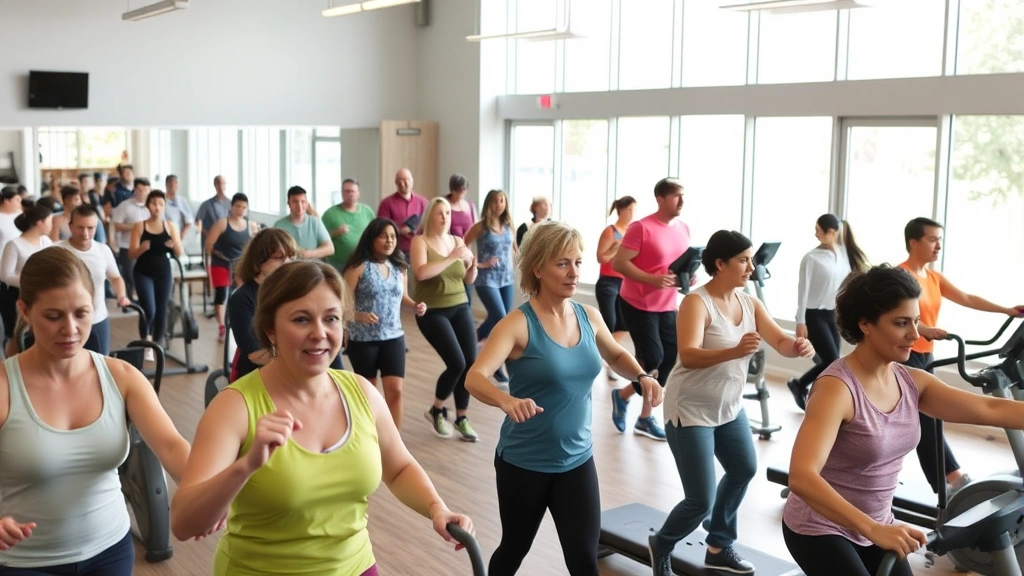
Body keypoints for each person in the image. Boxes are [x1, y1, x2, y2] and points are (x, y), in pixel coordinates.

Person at [170, 260, 475, 575]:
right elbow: (183, 523)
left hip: (356, 567)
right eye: (301, 319)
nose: (319, 333)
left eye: (331, 318)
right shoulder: (234, 407)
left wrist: (437, 507)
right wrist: (245, 467)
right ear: (270, 329)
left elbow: (398, 468)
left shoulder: (362, 393)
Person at [783, 264, 1024, 576]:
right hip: (820, 526)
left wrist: (876, 528)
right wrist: (872, 529)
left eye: (916, 321)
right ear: (866, 324)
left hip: (876, 524)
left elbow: (989, 410)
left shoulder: (912, 381)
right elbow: (802, 477)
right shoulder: (836, 389)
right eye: (901, 323)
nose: (914, 334)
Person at [465, 221, 663, 576]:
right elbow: (475, 377)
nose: (574, 273)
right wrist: (505, 400)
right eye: (562, 263)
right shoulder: (517, 324)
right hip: (524, 464)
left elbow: (616, 354)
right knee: (514, 549)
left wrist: (642, 376)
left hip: (576, 461)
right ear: (538, 268)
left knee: (584, 560)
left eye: (578, 262)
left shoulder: (588, 316)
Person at [0, 246, 192, 574]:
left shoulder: (122, 377)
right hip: (25, 561)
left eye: (81, 313)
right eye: (53, 316)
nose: (71, 329)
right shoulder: (5, 386)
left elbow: (173, 447)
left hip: (110, 551)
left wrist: (216, 488)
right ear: (25, 311)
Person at [648, 230, 815, 576]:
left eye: (751, 259)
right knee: (700, 500)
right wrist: (734, 351)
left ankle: (719, 545)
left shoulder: (750, 302)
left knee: (743, 469)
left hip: (728, 407)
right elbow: (689, 356)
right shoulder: (696, 302)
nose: (750, 267)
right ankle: (663, 542)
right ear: (720, 264)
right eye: (743, 260)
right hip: (689, 409)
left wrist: (797, 347)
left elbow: (780, 341)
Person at [898, 217, 1024, 496]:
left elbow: (966, 298)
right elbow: (891, 317)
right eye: (933, 239)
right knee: (926, 420)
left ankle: (951, 478)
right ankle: (951, 479)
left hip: (926, 356)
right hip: (903, 355)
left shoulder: (933, 278)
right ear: (914, 242)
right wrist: (925, 329)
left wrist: (1006, 310)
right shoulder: (900, 276)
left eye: (940, 240)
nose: (938, 246)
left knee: (928, 418)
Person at [609, 177, 692, 441]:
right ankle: (644, 416)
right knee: (653, 358)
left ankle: (628, 402)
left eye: (683, 195)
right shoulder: (641, 228)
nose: (682, 201)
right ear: (660, 199)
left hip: (667, 303)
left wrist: (688, 277)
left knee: (668, 359)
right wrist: (651, 279)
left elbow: (676, 265)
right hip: (638, 303)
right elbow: (620, 264)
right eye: (676, 196)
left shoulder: (683, 228)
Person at [342, 218, 426, 430]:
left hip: (394, 337)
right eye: (384, 236)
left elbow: (402, 297)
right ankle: (368, 437)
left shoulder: (399, 267)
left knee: (395, 391)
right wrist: (358, 315)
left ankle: (394, 441)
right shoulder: (358, 267)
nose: (389, 241)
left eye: (392, 236)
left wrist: (415, 305)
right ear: (372, 239)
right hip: (363, 340)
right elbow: (341, 303)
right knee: (368, 394)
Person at [411, 197, 479, 441]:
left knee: (470, 363)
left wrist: (472, 267)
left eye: (448, 213)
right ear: (430, 215)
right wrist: (452, 257)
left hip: (460, 305)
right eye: (440, 213)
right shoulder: (420, 242)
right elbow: (421, 272)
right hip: (432, 311)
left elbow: (467, 279)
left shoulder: (458, 240)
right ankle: (437, 409)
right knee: (457, 363)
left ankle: (462, 418)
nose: (445, 217)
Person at [786, 214, 868, 410]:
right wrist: (800, 321)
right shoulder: (811, 258)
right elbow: (802, 291)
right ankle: (808, 388)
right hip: (813, 316)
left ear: (831, 232)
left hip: (831, 314)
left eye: (818, 230)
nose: (815, 234)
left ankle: (799, 384)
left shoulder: (842, 253)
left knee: (833, 360)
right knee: (832, 360)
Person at [227, 229, 300, 382]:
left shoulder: (295, 292)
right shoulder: (241, 298)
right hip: (253, 377)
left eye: (290, 258)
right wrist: (296, 366)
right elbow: (254, 352)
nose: (287, 264)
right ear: (258, 262)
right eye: (279, 258)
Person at [58, 205, 132, 355]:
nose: (85, 233)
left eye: (91, 228)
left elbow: (116, 277)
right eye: (80, 228)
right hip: (67, 321)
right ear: (70, 226)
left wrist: (122, 296)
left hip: (97, 319)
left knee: (100, 365)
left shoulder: (103, 250)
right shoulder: (56, 251)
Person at [463, 189, 517, 382]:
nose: (499, 204)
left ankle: (473, 340)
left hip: (507, 278)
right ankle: (495, 364)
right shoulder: (481, 227)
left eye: (502, 200)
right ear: (489, 203)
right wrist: (477, 264)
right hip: (487, 279)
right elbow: (463, 246)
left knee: (497, 320)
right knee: (502, 319)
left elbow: (515, 250)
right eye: (495, 201)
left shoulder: (509, 225)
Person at [129, 191, 184, 361]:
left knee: (161, 310)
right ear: (148, 206)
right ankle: (147, 341)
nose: (157, 207)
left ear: (164, 206)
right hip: (143, 272)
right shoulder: (140, 225)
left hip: (163, 272)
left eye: (160, 203)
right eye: (153, 203)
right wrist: (141, 249)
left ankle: (157, 344)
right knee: (149, 309)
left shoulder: (170, 226)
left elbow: (179, 252)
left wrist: (173, 245)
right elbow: (131, 254)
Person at [205, 193, 259, 343]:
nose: (240, 210)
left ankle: (242, 323)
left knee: (242, 293)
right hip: (221, 263)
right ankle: (222, 325)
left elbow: (256, 246)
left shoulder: (251, 226)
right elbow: (209, 245)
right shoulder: (222, 223)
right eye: (238, 206)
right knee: (222, 293)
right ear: (232, 207)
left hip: (240, 265)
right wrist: (217, 255)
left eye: (244, 207)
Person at [595, 196, 636, 380]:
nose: (635, 213)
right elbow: (601, 258)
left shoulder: (632, 232)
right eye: (633, 209)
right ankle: (606, 360)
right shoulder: (611, 232)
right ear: (624, 210)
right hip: (608, 284)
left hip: (625, 283)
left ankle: (609, 358)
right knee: (609, 323)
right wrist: (616, 248)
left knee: (624, 324)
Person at [0, 204, 53, 342]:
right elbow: (5, 275)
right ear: (39, 222)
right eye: (49, 221)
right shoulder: (14, 244)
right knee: (15, 335)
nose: (51, 226)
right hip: (16, 295)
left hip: (42, 292)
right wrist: (31, 280)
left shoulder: (46, 241)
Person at [110, 178, 152, 300]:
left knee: (145, 275)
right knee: (130, 276)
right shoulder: (125, 206)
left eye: (145, 190)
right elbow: (116, 225)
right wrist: (135, 227)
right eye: (139, 190)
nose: (142, 193)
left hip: (147, 247)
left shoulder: (152, 206)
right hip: (127, 246)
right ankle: (127, 300)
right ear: (135, 190)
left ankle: (143, 299)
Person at [322, 178, 375, 272]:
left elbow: (376, 234)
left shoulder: (367, 212)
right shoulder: (330, 214)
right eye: (347, 191)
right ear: (342, 193)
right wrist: (334, 233)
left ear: (358, 193)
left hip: (363, 262)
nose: (350, 194)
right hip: (338, 265)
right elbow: (320, 239)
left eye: (353, 191)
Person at [377, 168, 427, 261]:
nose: (405, 183)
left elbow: (428, 223)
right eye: (401, 180)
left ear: (412, 181)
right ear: (396, 183)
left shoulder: (423, 202)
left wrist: (417, 227)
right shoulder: (386, 203)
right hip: (396, 250)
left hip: (419, 249)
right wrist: (399, 230)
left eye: (408, 179)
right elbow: (381, 227)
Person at [274, 186, 334, 260]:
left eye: (303, 202)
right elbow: (273, 251)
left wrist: (311, 253)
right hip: (289, 269)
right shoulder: (279, 226)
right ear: (289, 203)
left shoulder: (315, 222)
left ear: (307, 203)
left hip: (311, 269)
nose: (300, 206)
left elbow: (330, 248)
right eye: (295, 202)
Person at [446, 173, 476, 239]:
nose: (462, 191)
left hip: (466, 247)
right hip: (449, 246)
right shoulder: (445, 205)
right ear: (453, 190)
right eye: (459, 189)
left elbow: (475, 229)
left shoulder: (470, 206)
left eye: (464, 189)